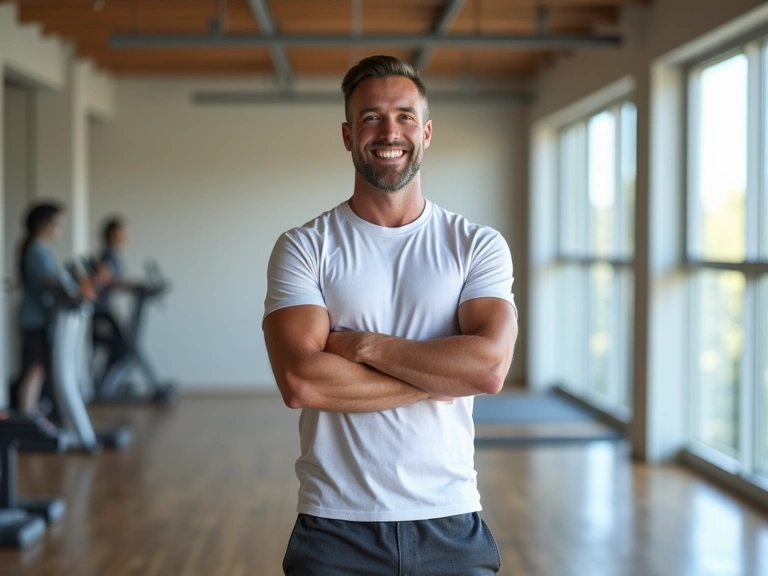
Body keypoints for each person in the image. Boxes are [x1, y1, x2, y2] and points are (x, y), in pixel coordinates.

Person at [263, 55, 518, 575]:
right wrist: (444, 375)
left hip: (450, 521)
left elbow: (487, 369)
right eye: (371, 117)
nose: (388, 130)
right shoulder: (305, 247)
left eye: (404, 116)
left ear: (426, 132)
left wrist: (362, 346)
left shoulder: (476, 246)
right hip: (335, 526)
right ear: (347, 134)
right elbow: (302, 383)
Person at [13, 202, 66, 416]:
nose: (60, 230)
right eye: (58, 225)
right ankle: (26, 415)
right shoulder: (36, 251)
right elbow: (51, 282)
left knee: (39, 368)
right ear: (45, 225)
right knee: (35, 368)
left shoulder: (41, 250)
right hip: (33, 319)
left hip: (40, 318)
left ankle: (31, 413)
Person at [91, 216, 131, 368]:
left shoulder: (115, 255)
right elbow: (103, 279)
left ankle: (107, 385)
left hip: (105, 307)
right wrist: (126, 284)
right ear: (112, 234)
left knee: (123, 347)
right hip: (99, 309)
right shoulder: (107, 256)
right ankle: (104, 387)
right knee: (121, 347)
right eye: (122, 232)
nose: (126, 236)